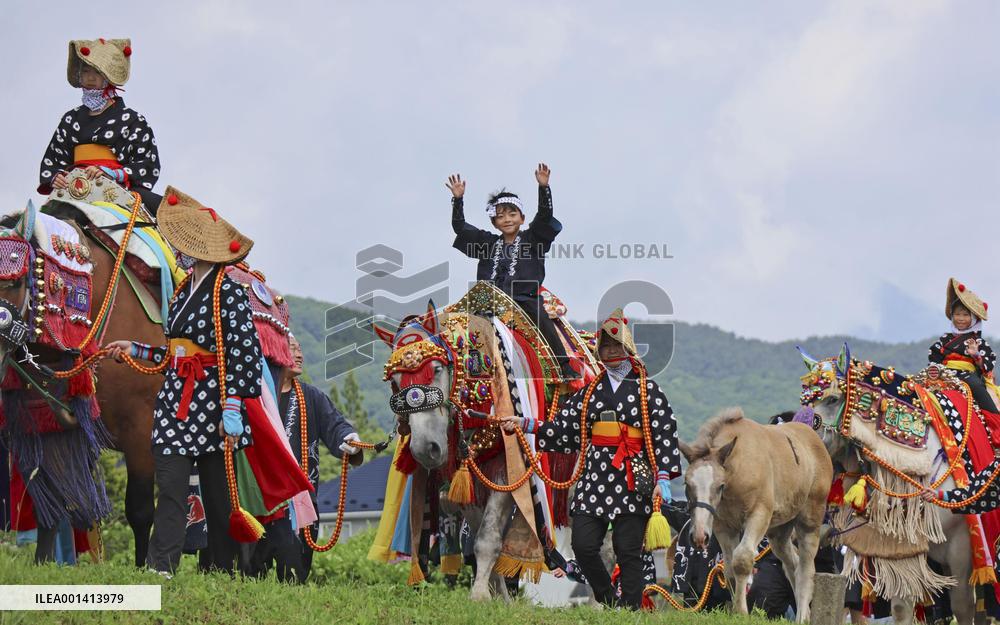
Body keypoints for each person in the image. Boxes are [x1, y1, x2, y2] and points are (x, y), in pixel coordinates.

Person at [104, 187, 266, 575]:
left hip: (213, 403)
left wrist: (232, 407)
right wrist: (136, 349)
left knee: (217, 497)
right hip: (176, 401)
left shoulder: (228, 290)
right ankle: (162, 565)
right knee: (171, 487)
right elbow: (175, 352)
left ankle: (226, 569)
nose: (185, 251)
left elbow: (244, 350)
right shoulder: (180, 292)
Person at [501, 308, 681, 609]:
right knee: (582, 545)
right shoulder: (589, 393)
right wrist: (525, 423)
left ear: (628, 350)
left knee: (628, 551)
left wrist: (662, 477)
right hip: (595, 477)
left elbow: (664, 433)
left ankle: (631, 610)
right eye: (606, 347)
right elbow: (562, 429)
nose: (611, 352)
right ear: (599, 351)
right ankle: (608, 597)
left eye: (616, 346)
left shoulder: (649, 391)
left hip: (632, 476)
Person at [248, 334, 364, 582]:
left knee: (294, 574)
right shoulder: (255, 397)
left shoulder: (312, 397)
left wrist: (350, 439)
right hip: (261, 500)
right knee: (252, 573)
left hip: (300, 501)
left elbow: (336, 426)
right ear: (274, 353)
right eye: (292, 348)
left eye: (300, 349)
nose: (299, 354)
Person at [447, 164, 577, 380]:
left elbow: (545, 216)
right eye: (500, 216)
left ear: (522, 218)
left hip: (523, 299)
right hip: (486, 301)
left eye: (512, 213)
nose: (507, 219)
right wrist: (458, 200)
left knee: (542, 319)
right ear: (494, 222)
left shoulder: (532, 239)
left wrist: (543, 188)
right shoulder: (487, 243)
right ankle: (460, 372)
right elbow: (460, 227)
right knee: (456, 323)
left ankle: (564, 367)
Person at [39, 38, 161, 211]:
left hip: (117, 189)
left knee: (168, 213)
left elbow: (147, 164)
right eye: (86, 71)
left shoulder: (133, 120)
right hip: (72, 191)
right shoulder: (70, 119)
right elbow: (53, 160)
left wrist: (113, 173)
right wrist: (55, 177)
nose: (90, 77)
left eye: (96, 72)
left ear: (108, 77)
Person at [928, 278, 999, 415]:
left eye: (965, 315)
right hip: (943, 373)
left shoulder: (978, 342)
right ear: (952, 316)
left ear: (973, 319)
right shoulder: (944, 339)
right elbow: (934, 358)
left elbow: (987, 367)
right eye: (957, 314)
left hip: (967, 376)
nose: (960, 318)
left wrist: (976, 355)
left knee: (977, 386)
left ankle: (994, 418)